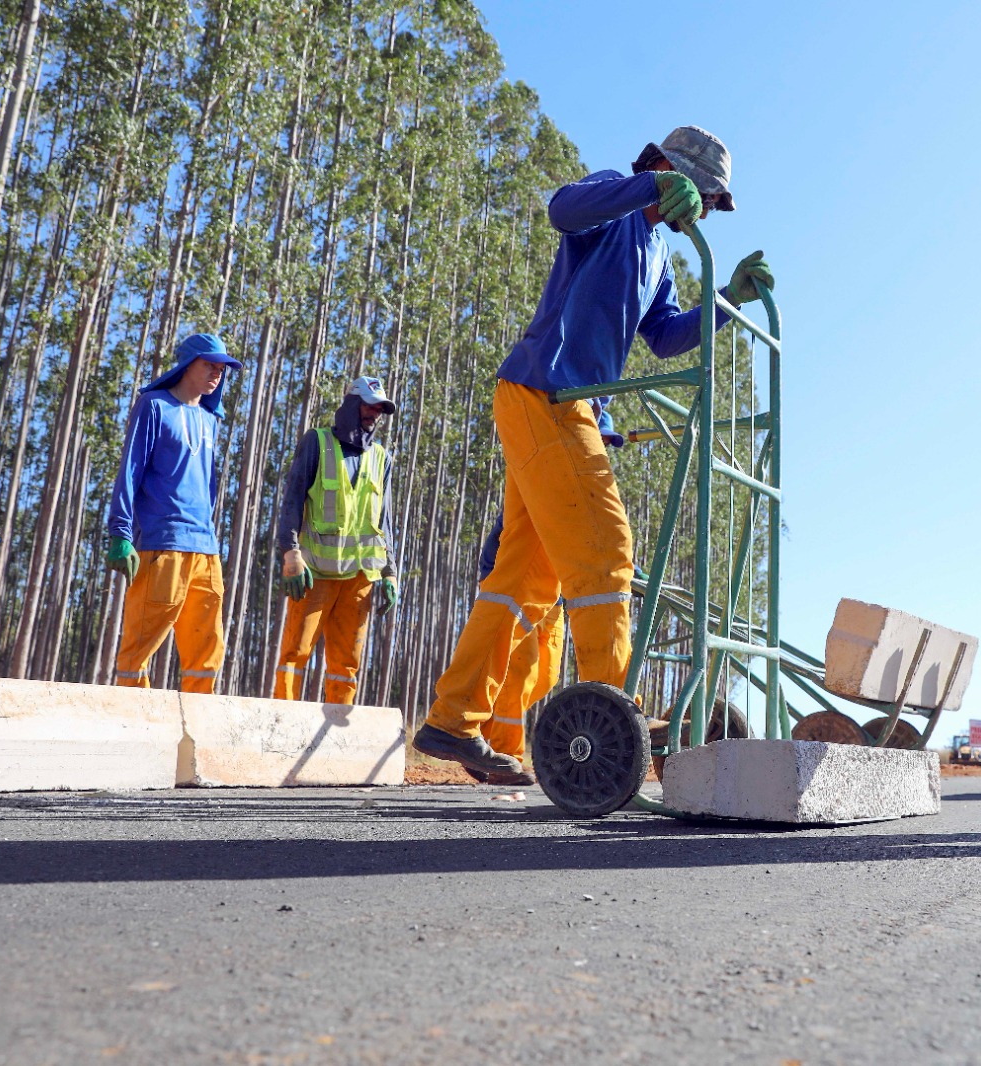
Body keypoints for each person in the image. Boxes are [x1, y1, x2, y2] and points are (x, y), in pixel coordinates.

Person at [411, 125, 774, 776]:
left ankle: (452, 719)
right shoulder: (613, 198)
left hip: (561, 404)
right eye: (703, 195)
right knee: (607, 554)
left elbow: (663, 337)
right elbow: (562, 208)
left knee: (523, 580)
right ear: (668, 168)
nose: (702, 212)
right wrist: (651, 187)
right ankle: (620, 730)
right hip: (549, 393)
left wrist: (725, 302)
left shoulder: (658, 253)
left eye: (713, 204)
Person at [472, 408, 626, 786]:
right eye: (598, 440)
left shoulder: (587, 488)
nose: (601, 449)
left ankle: (479, 732)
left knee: (545, 678)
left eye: (605, 443)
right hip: (518, 583)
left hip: (555, 594)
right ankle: (503, 758)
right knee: (519, 671)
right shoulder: (552, 475)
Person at [105, 333, 242, 694]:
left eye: (222, 368)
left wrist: (210, 532)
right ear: (186, 365)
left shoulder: (210, 420)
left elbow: (209, 486)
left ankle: (195, 737)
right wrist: (120, 532)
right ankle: (131, 731)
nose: (217, 373)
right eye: (209, 364)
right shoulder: (154, 406)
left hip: (205, 549)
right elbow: (130, 470)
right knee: (140, 647)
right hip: (161, 543)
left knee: (207, 649)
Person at [270, 376, 400, 705]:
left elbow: (384, 520)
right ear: (352, 406)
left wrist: (390, 572)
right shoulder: (317, 442)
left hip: (360, 579)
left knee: (346, 664)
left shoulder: (381, 458)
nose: (375, 415)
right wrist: (290, 553)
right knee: (294, 654)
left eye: (380, 410)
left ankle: (335, 736)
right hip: (315, 574)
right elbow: (292, 500)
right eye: (370, 406)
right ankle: (283, 726)